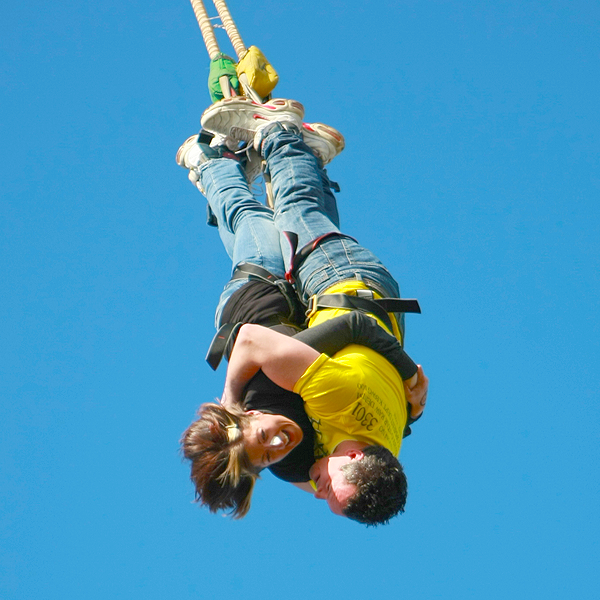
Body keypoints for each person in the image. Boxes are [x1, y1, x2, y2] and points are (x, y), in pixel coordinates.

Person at [177, 97, 428, 525]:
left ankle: (256, 160)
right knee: (295, 211)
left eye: (325, 493)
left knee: (266, 218)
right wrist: (230, 401)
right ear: (353, 455)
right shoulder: (337, 400)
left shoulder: (373, 447)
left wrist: (412, 389)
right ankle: (279, 133)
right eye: (328, 488)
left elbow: (287, 468)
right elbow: (267, 341)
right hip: (341, 286)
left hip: (275, 299)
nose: (318, 492)